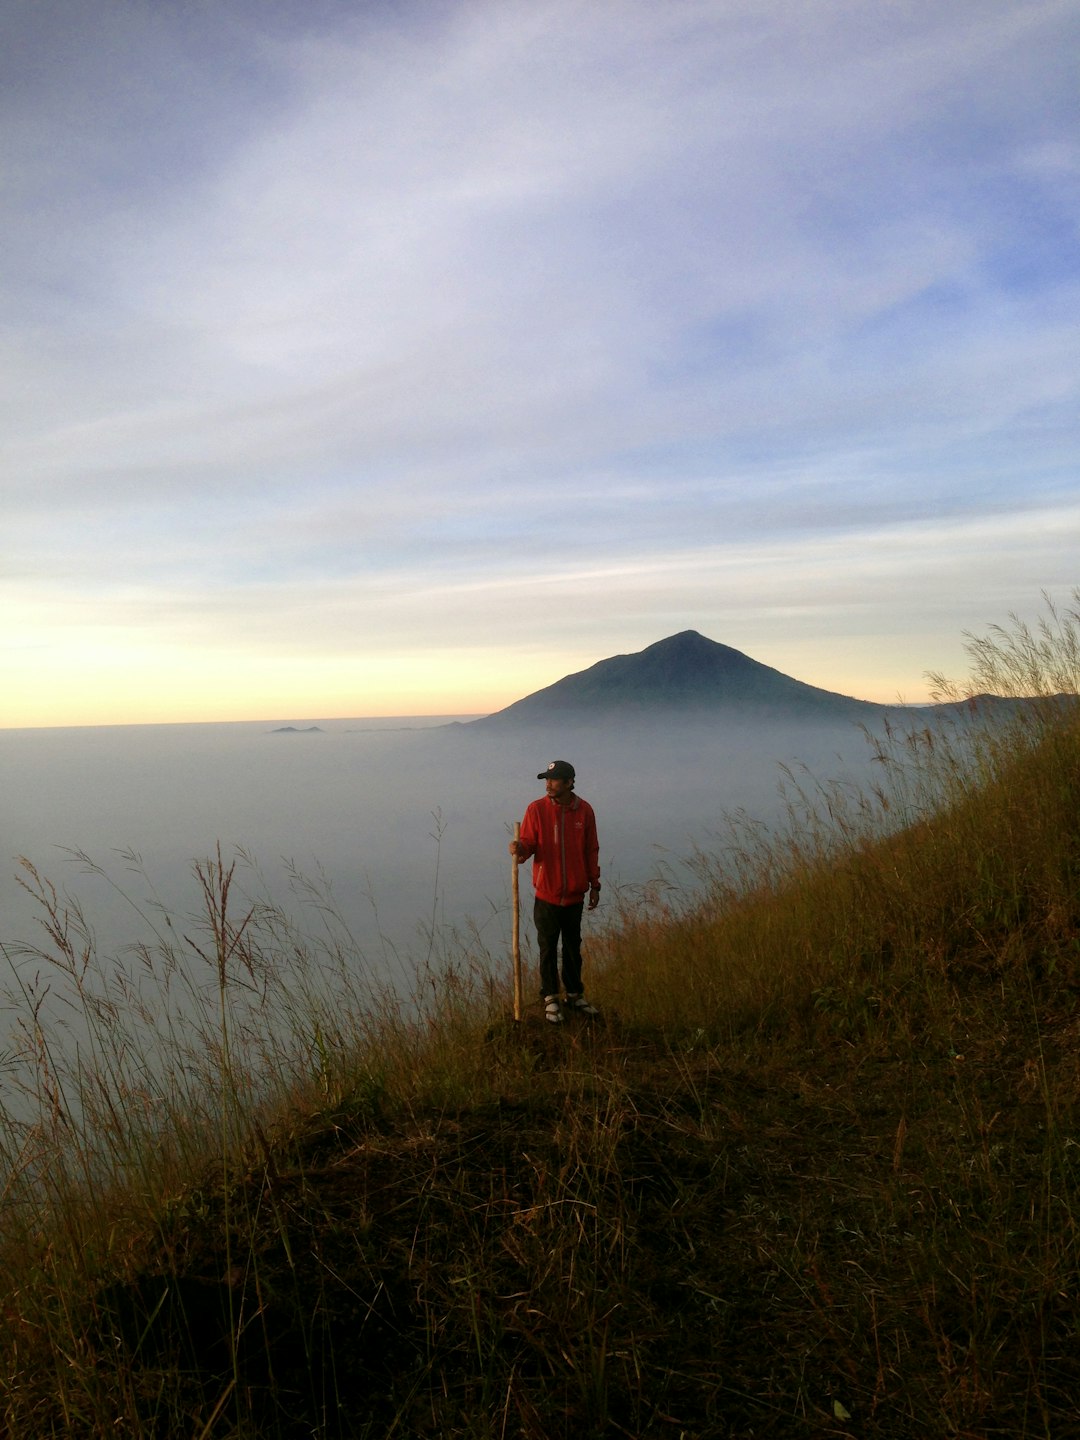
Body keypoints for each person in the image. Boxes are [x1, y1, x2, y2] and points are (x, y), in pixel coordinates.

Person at [509, 759, 601, 1023]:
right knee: (547, 947)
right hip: (547, 895)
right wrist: (520, 850)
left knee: (573, 946)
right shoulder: (536, 810)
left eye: (554, 780)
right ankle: (550, 997)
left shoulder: (584, 811)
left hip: (574, 894)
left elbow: (591, 849)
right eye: (546, 780)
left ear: (569, 782)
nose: (548, 784)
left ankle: (573, 994)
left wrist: (594, 884)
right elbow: (528, 843)